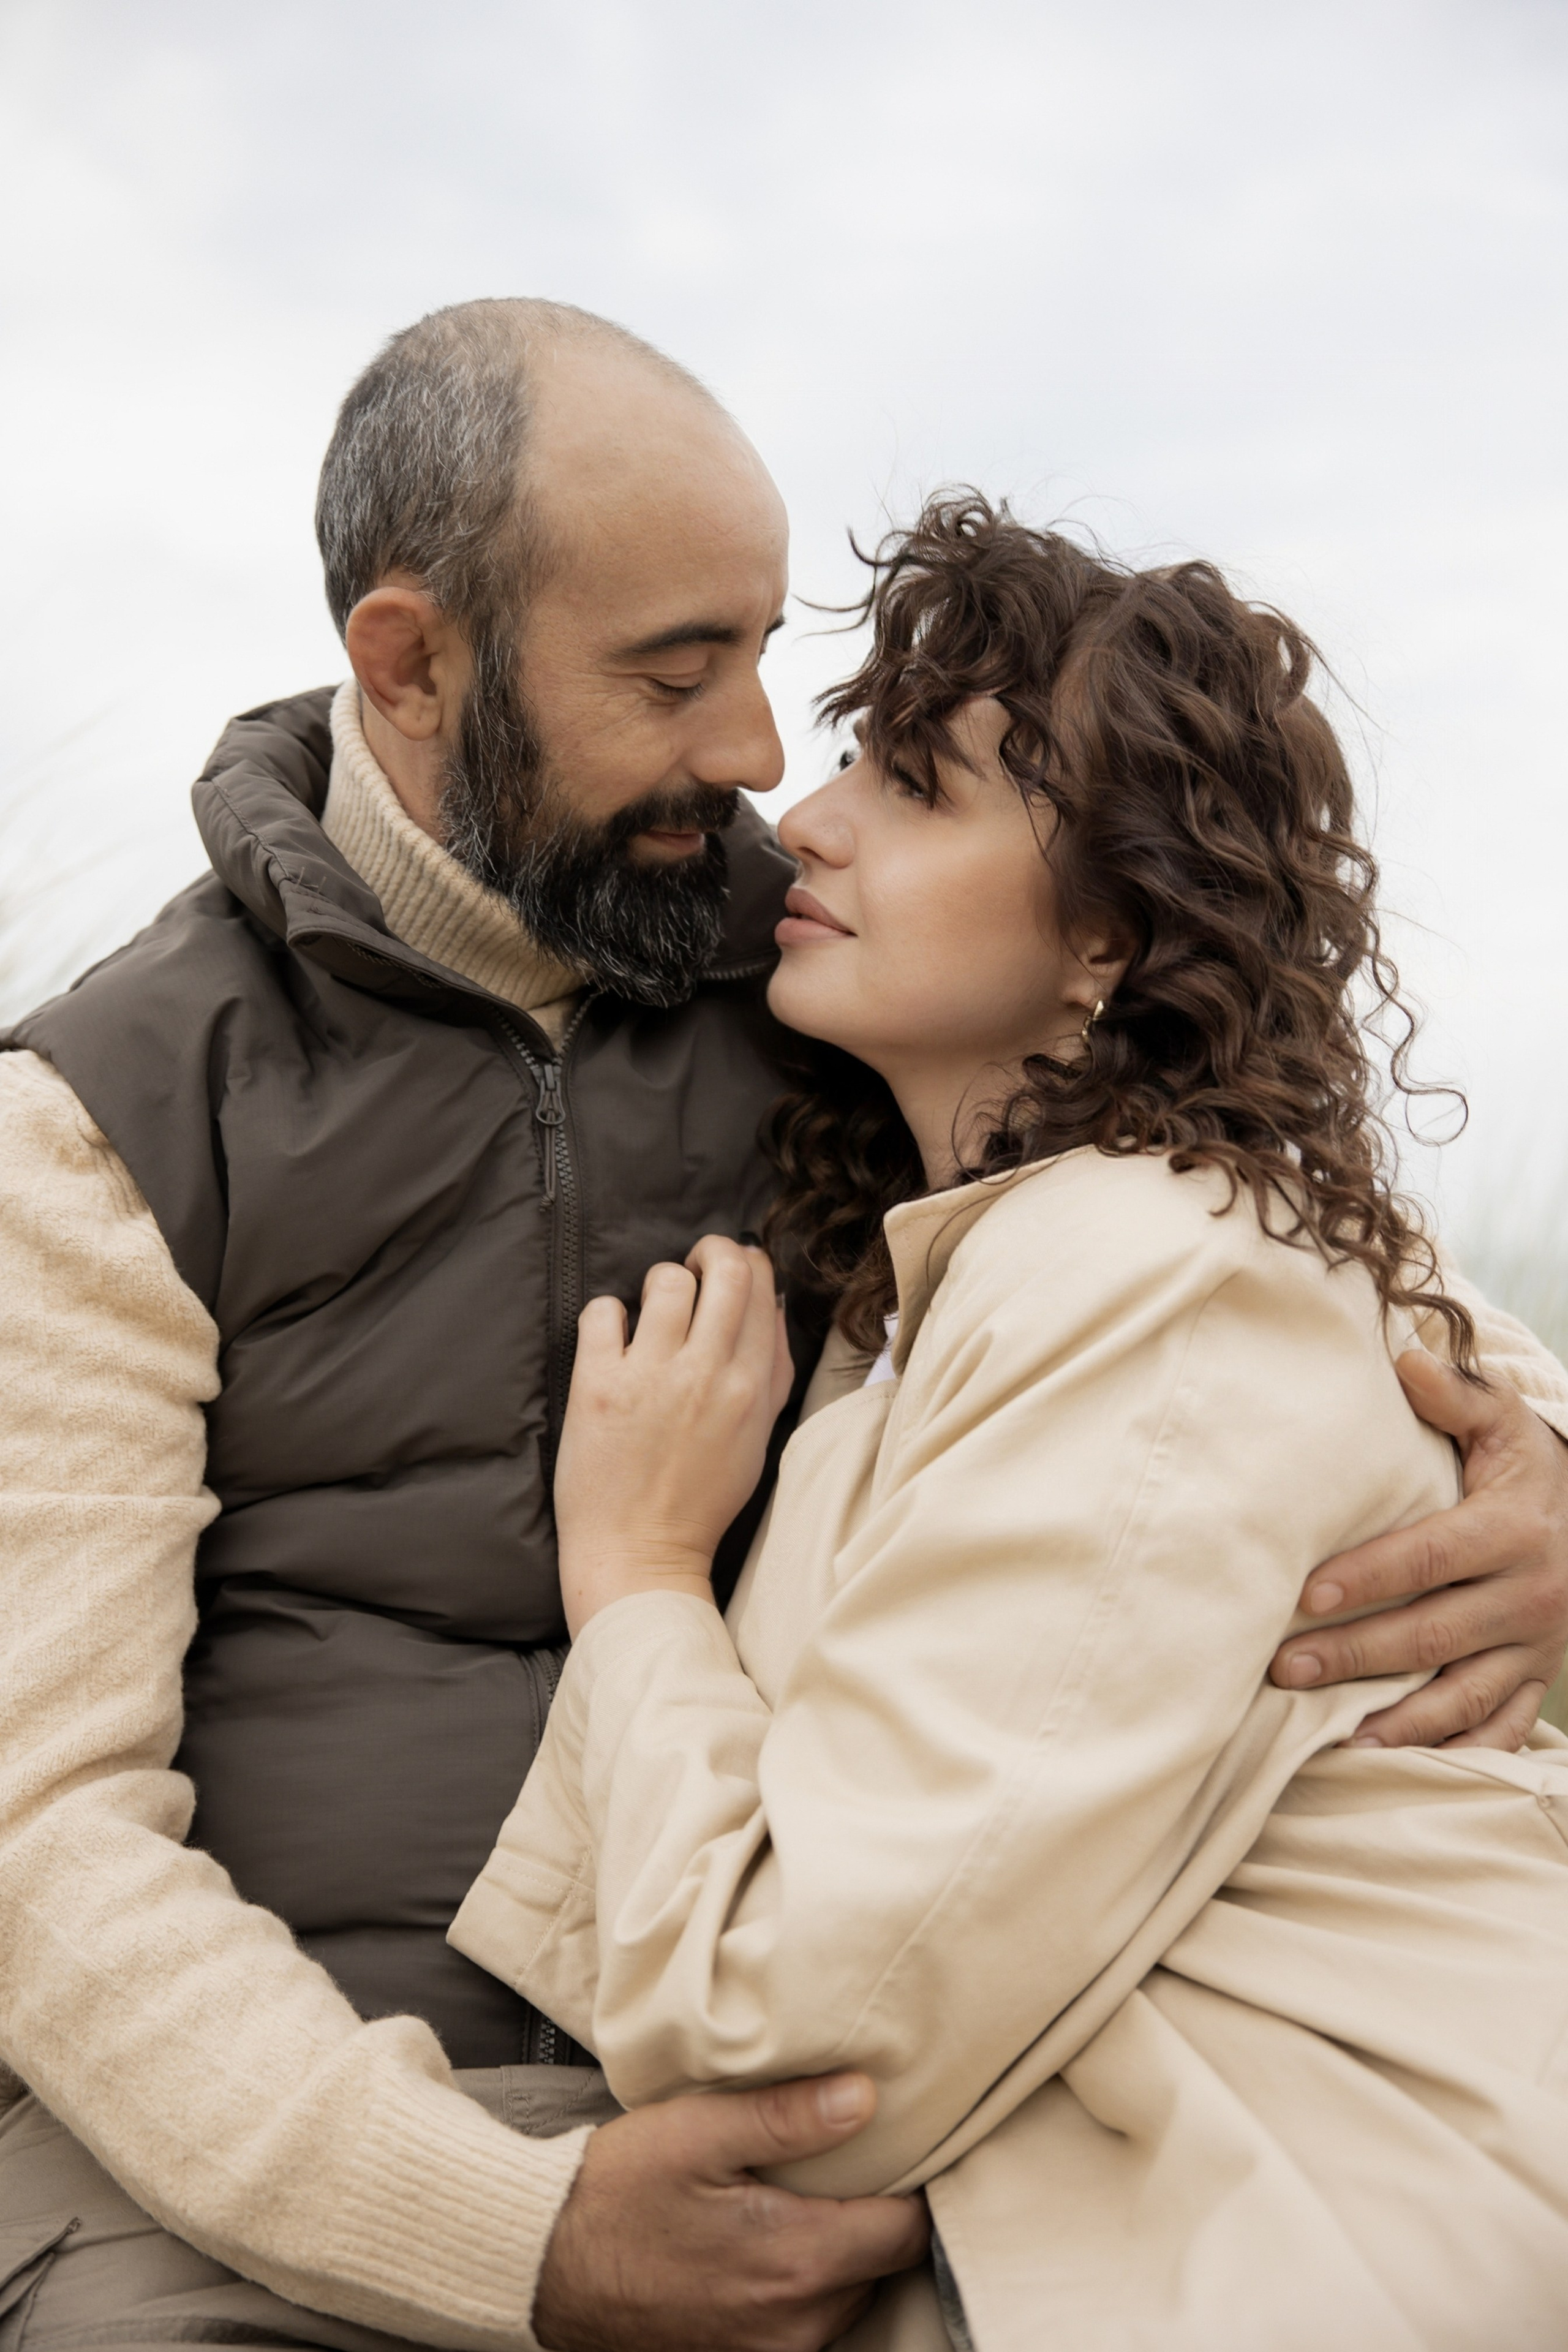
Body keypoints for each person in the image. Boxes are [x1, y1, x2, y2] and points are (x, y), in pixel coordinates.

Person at [0, 301, 1561, 2351]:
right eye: (676, 673)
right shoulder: (98, 1118)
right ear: (412, 661)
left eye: (762, 656)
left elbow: (1266, 1251)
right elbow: (42, 1826)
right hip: (283, 2122)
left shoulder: (816, 955)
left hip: (828, 2077)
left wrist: (1539, 1473)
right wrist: (503, 2229)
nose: (756, 763)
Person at [451, 496, 1568, 2350]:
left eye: (913, 782)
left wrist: (638, 1572)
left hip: (1291, 2241)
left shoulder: (1156, 1269)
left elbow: (803, 2042)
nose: (799, 817)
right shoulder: (993, 1273)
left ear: (1114, 933)